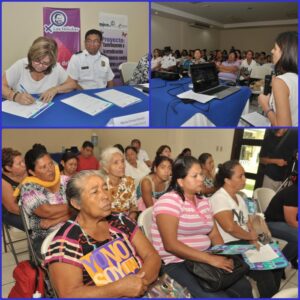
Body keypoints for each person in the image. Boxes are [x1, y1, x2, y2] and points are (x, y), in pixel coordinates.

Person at [44, 170, 161, 298]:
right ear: (76, 203)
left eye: (105, 188)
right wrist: (120, 289)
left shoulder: (120, 220)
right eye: (95, 192)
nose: (105, 196)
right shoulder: (65, 243)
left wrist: (138, 283)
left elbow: (151, 255)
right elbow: (69, 294)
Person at [151, 156, 253, 298]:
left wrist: (223, 255)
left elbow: (214, 234)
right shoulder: (169, 201)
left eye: (201, 174)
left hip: (205, 256)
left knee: (244, 287)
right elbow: (171, 245)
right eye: (195, 176)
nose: (201, 179)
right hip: (177, 262)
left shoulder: (203, 201)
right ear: (180, 181)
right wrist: (210, 259)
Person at [210, 160, 283, 298]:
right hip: (229, 246)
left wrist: (259, 239)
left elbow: (249, 221)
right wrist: (251, 238)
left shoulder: (239, 197)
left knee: (278, 264)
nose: (244, 179)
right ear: (227, 180)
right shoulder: (219, 198)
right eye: (240, 176)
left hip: (243, 242)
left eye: (244, 175)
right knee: (265, 273)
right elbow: (230, 227)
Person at [18, 144, 70, 256]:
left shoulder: (65, 181)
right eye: (43, 167)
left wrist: (57, 219)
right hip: (45, 237)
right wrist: (75, 207)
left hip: (71, 228)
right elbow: (47, 211)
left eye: (51, 164)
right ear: (32, 172)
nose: (50, 169)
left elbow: (84, 207)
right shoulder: (29, 188)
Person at [2, 36, 76, 105]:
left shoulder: (56, 67)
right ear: (31, 56)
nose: (40, 66)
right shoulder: (20, 65)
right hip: (20, 109)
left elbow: (72, 84)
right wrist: (15, 96)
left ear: (52, 62)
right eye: (37, 60)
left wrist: (55, 89)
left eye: (45, 63)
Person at [258, 31, 298, 126]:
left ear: (285, 53)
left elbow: (283, 127)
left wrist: (265, 105)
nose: (272, 51)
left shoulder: (280, 81)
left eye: (275, 48)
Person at [265, 181, 298, 268]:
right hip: (271, 223)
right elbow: (291, 221)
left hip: (284, 222)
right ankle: (278, 266)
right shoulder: (294, 192)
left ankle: (293, 257)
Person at [100, 147, 138, 220]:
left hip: (126, 221)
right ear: (106, 168)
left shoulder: (129, 181)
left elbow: (134, 206)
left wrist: (131, 217)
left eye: (122, 161)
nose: (122, 166)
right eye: (116, 162)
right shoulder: (101, 186)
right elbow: (99, 213)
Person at [2, 148, 27, 231]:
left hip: (28, 206)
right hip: (11, 212)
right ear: (8, 168)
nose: (24, 165)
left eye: (23, 161)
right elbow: (12, 208)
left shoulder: (26, 172)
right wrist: (38, 213)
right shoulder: (3, 182)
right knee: (39, 224)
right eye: (19, 163)